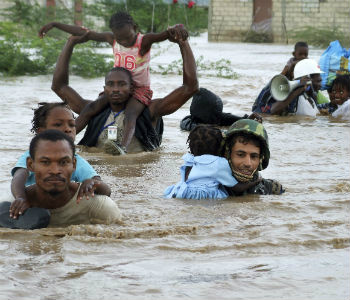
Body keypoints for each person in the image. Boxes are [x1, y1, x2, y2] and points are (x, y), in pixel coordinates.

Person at [39, 11, 188, 153]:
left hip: (140, 90)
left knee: (130, 115)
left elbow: (167, 35)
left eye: (127, 38)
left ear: (134, 29)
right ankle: (65, 141)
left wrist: (178, 31)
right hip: (121, 84)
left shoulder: (144, 41)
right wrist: (57, 26)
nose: (124, 42)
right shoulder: (113, 39)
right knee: (90, 108)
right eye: (120, 39)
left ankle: (122, 147)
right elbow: (84, 32)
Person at [0, 130, 122, 229]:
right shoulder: (12, 207)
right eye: (45, 162)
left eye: (63, 162)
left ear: (74, 165)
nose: (55, 170)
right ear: (31, 165)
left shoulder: (98, 207)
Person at [9, 102, 111, 220]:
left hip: (62, 206)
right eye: (58, 124)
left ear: (73, 164)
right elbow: (18, 177)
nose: (67, 129)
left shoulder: (75, 160)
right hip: (32, 207)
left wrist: (92, 183)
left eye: (72, 125)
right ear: (41, 132)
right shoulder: (32, 156)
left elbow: (106, 190)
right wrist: (21, 198)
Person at [164, 125, 260, 199]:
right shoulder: (219, 163)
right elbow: (236, 187)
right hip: (205, 196)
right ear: (220, 148)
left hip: (183, 191)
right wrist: (255, 182)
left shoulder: (190, 159)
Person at [222, 119, 284, 196]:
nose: (248, 163)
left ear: (260, 159)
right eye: (240, 155)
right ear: (227, 154)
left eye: (254, 156)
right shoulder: (211, 188)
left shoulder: (272, 189)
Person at [253, 59, 323, 116]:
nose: (320, 85)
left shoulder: (309, 95)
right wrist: (297, 92)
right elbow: (269, 111)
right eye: (318, 81)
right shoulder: (280, 89)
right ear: (307, 79)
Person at [180, 87, 262, 131]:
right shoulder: (187, 123)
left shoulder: (215, 117)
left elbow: (231, 119)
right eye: (216, 113)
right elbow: (199, 129)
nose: (219, 115)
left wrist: (248, 120)